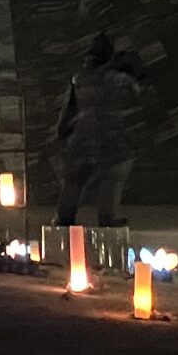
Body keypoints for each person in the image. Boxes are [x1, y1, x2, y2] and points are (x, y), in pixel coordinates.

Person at [55, 33, 147, 228]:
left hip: (82, 137)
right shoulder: (116, 78)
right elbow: (137, 91)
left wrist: (62, 131)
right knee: (115, 172)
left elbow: (69, 109)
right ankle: (107, 216)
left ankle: (64, 218)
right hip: (110, 137)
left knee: (75, 179)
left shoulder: (79, 79)